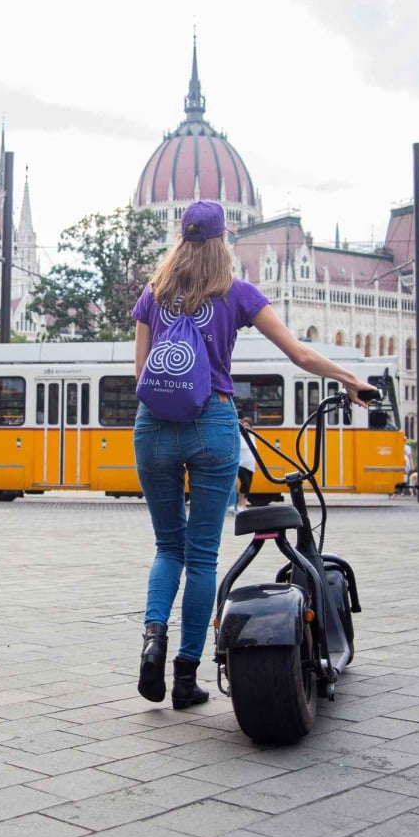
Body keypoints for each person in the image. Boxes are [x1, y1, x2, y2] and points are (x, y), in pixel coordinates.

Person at [133, 199, 370, 710]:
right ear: (223, 243)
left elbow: (142, 378)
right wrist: (350, 380)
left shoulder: (152, 294)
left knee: (166, 548)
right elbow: (300, 354)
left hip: (151, 428)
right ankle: (184, 677)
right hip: (212, 424)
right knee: (200, 556)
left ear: (180, 238)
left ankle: (153, 639)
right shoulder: (236, 293)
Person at [228, 416, 256, 513]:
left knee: (247, 486)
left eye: (247, 426)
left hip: (250, 465)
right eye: (244, 426)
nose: (246, 427)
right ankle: (239, 505)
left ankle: (243, 505)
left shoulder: (252, 436)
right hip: (241, 464)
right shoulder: (239, 436)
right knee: (245, 483)